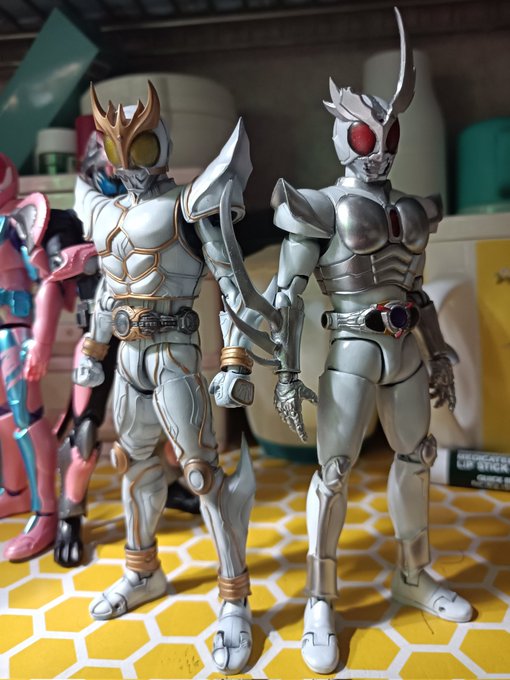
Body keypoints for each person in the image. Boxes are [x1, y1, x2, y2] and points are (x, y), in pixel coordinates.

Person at [220, 8, 472, 674]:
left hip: (405, 351)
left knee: (415, 457)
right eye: (364, 133)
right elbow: (284, 294)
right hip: (352, 348)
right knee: (333, 475)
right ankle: (321, 599)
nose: (378, 146)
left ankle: (414, 573)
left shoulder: (411, 208)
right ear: (342, 137)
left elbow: (416, 293)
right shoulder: (320, 206)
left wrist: (441, 350)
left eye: (387, 132)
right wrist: (268, 361)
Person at [73, 81, 255, 675]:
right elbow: (109, 290)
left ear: (163, 143)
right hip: (128, 359)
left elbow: (232, 284)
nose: (131, 161)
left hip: (175, 353)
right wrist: (94, 345)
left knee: (200, 473)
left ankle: (234, 600)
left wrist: (234, 359)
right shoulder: (104, 212)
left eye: (143, 146)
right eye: (118, 149)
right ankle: (142, 571)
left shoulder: (189, 204)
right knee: (134, 465)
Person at [23, 134, 199, 569]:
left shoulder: (153, 213)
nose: (119, 175)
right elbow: (60, 274)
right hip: (97, 345)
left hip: (149, 336)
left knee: (170, 420)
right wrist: (41, 341)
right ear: (92, 168)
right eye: (109, 167)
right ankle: (71, 515)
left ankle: (168, 483)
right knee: (85, 433)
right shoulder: (70, 221)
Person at [0, 153, 58, 560]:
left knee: (28, 421)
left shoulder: (16, 220)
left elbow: (47, 279)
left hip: (16, 333)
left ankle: (46, 512)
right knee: (4, 420)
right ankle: (15, 492)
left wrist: (40, 340)